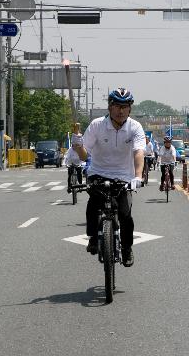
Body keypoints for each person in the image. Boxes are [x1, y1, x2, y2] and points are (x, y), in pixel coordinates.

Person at [72, 88, 145, 267]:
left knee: (125, 215)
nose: (121, 111)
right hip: (98, 172)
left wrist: (137, 176)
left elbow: (138, 152)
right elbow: (83, 156)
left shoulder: (135, 127)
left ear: (130, 109)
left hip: (124, 176)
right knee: (93, 206)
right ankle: (93, 238)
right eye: (117, 106)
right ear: (110, 107)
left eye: (125, 106)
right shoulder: (97, 125)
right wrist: (77, 145)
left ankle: (127, 248)